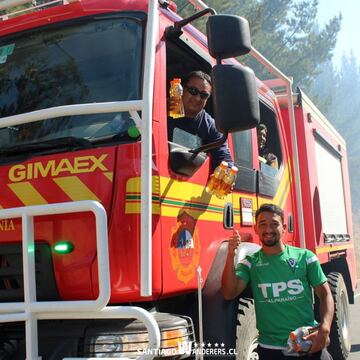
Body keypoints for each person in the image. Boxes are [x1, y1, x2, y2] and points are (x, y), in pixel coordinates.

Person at [221, 203, 334, 360]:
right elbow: (228, 293)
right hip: (270, 350)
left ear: (284, 227)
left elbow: (325, 294)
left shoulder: (305, 257)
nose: (268, 230)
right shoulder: (250, 263)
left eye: (274, 224)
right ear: (255, 229)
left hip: (307, 344)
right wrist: (230, 255)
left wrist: (325, 327)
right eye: (263, 225)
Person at [167, 70, 233, 171]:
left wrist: (227, 172)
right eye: (193, 91)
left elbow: (224, 161)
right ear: (182, 89)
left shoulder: (211, 126)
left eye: (204, 95)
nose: (197, 98)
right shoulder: (162, 106)